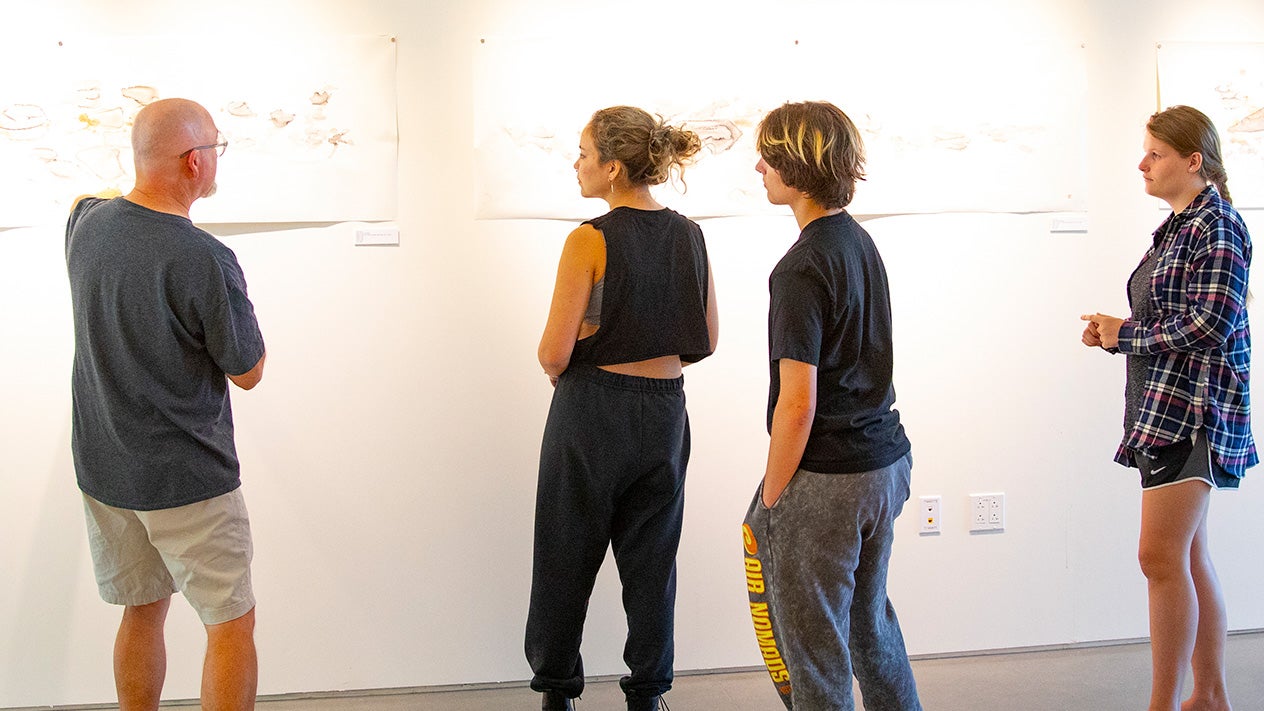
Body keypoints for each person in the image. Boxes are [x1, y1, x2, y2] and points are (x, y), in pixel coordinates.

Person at [65, 98, 267, 711]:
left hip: (107, 471)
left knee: (141, 612)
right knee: (230, 625)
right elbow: (249, 371)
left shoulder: (85, 225)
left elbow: (85, 198)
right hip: (188, 479)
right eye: (216, 148)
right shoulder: (204, 257)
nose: (217, 159)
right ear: (194, 161)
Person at [525, 106, 719, 711]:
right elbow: (706, 340)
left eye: (584, 153)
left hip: (592, 412)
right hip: (664, 413)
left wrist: (584, 350)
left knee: (565, 552)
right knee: (653, 562)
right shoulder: (690, 234)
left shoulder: (590, 238)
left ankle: (558, 693)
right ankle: (648, 694)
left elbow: (552, 352)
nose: (576, 164)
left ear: (612, 167)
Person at [740, 101, 922, 711]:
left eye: (770, 154)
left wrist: (771, 497)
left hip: (830, 479)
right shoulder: (858, 242)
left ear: (799, 165)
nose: (758, 165)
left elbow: (797, 404)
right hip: (884, 464)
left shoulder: (799, 267)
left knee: (813, 651)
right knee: (870, 629)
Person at [1081, 105, 1253, 711]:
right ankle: (1207, 696)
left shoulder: (1219, 227)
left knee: (1158, 557)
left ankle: (1169, 703)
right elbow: (1172, 317)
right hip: (1168, 408)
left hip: (1196, 411)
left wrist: (1125, 334)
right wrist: (1115, 330)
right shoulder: (1181, 226)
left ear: (1193, 160)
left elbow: (1211, 323)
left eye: (1154, 153)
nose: (1142, 163)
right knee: (1186, 555)